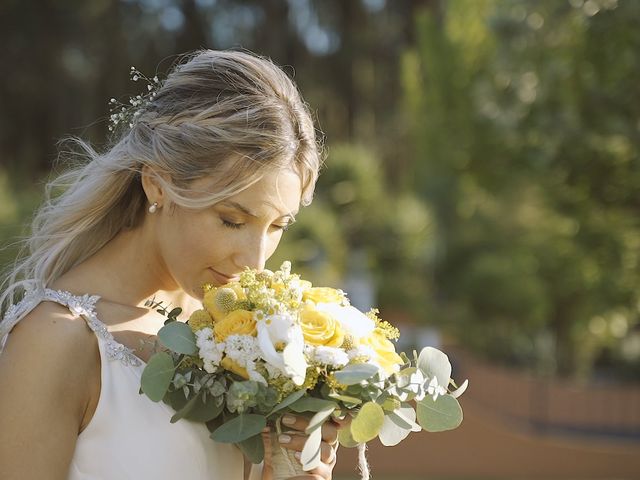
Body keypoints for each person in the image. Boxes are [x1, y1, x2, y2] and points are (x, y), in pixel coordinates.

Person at [0, 49, 342, 480]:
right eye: (232, 220)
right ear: (156, 183)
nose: (255, 261)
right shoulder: (55, 341)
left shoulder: (249, 339)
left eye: (278, 226)